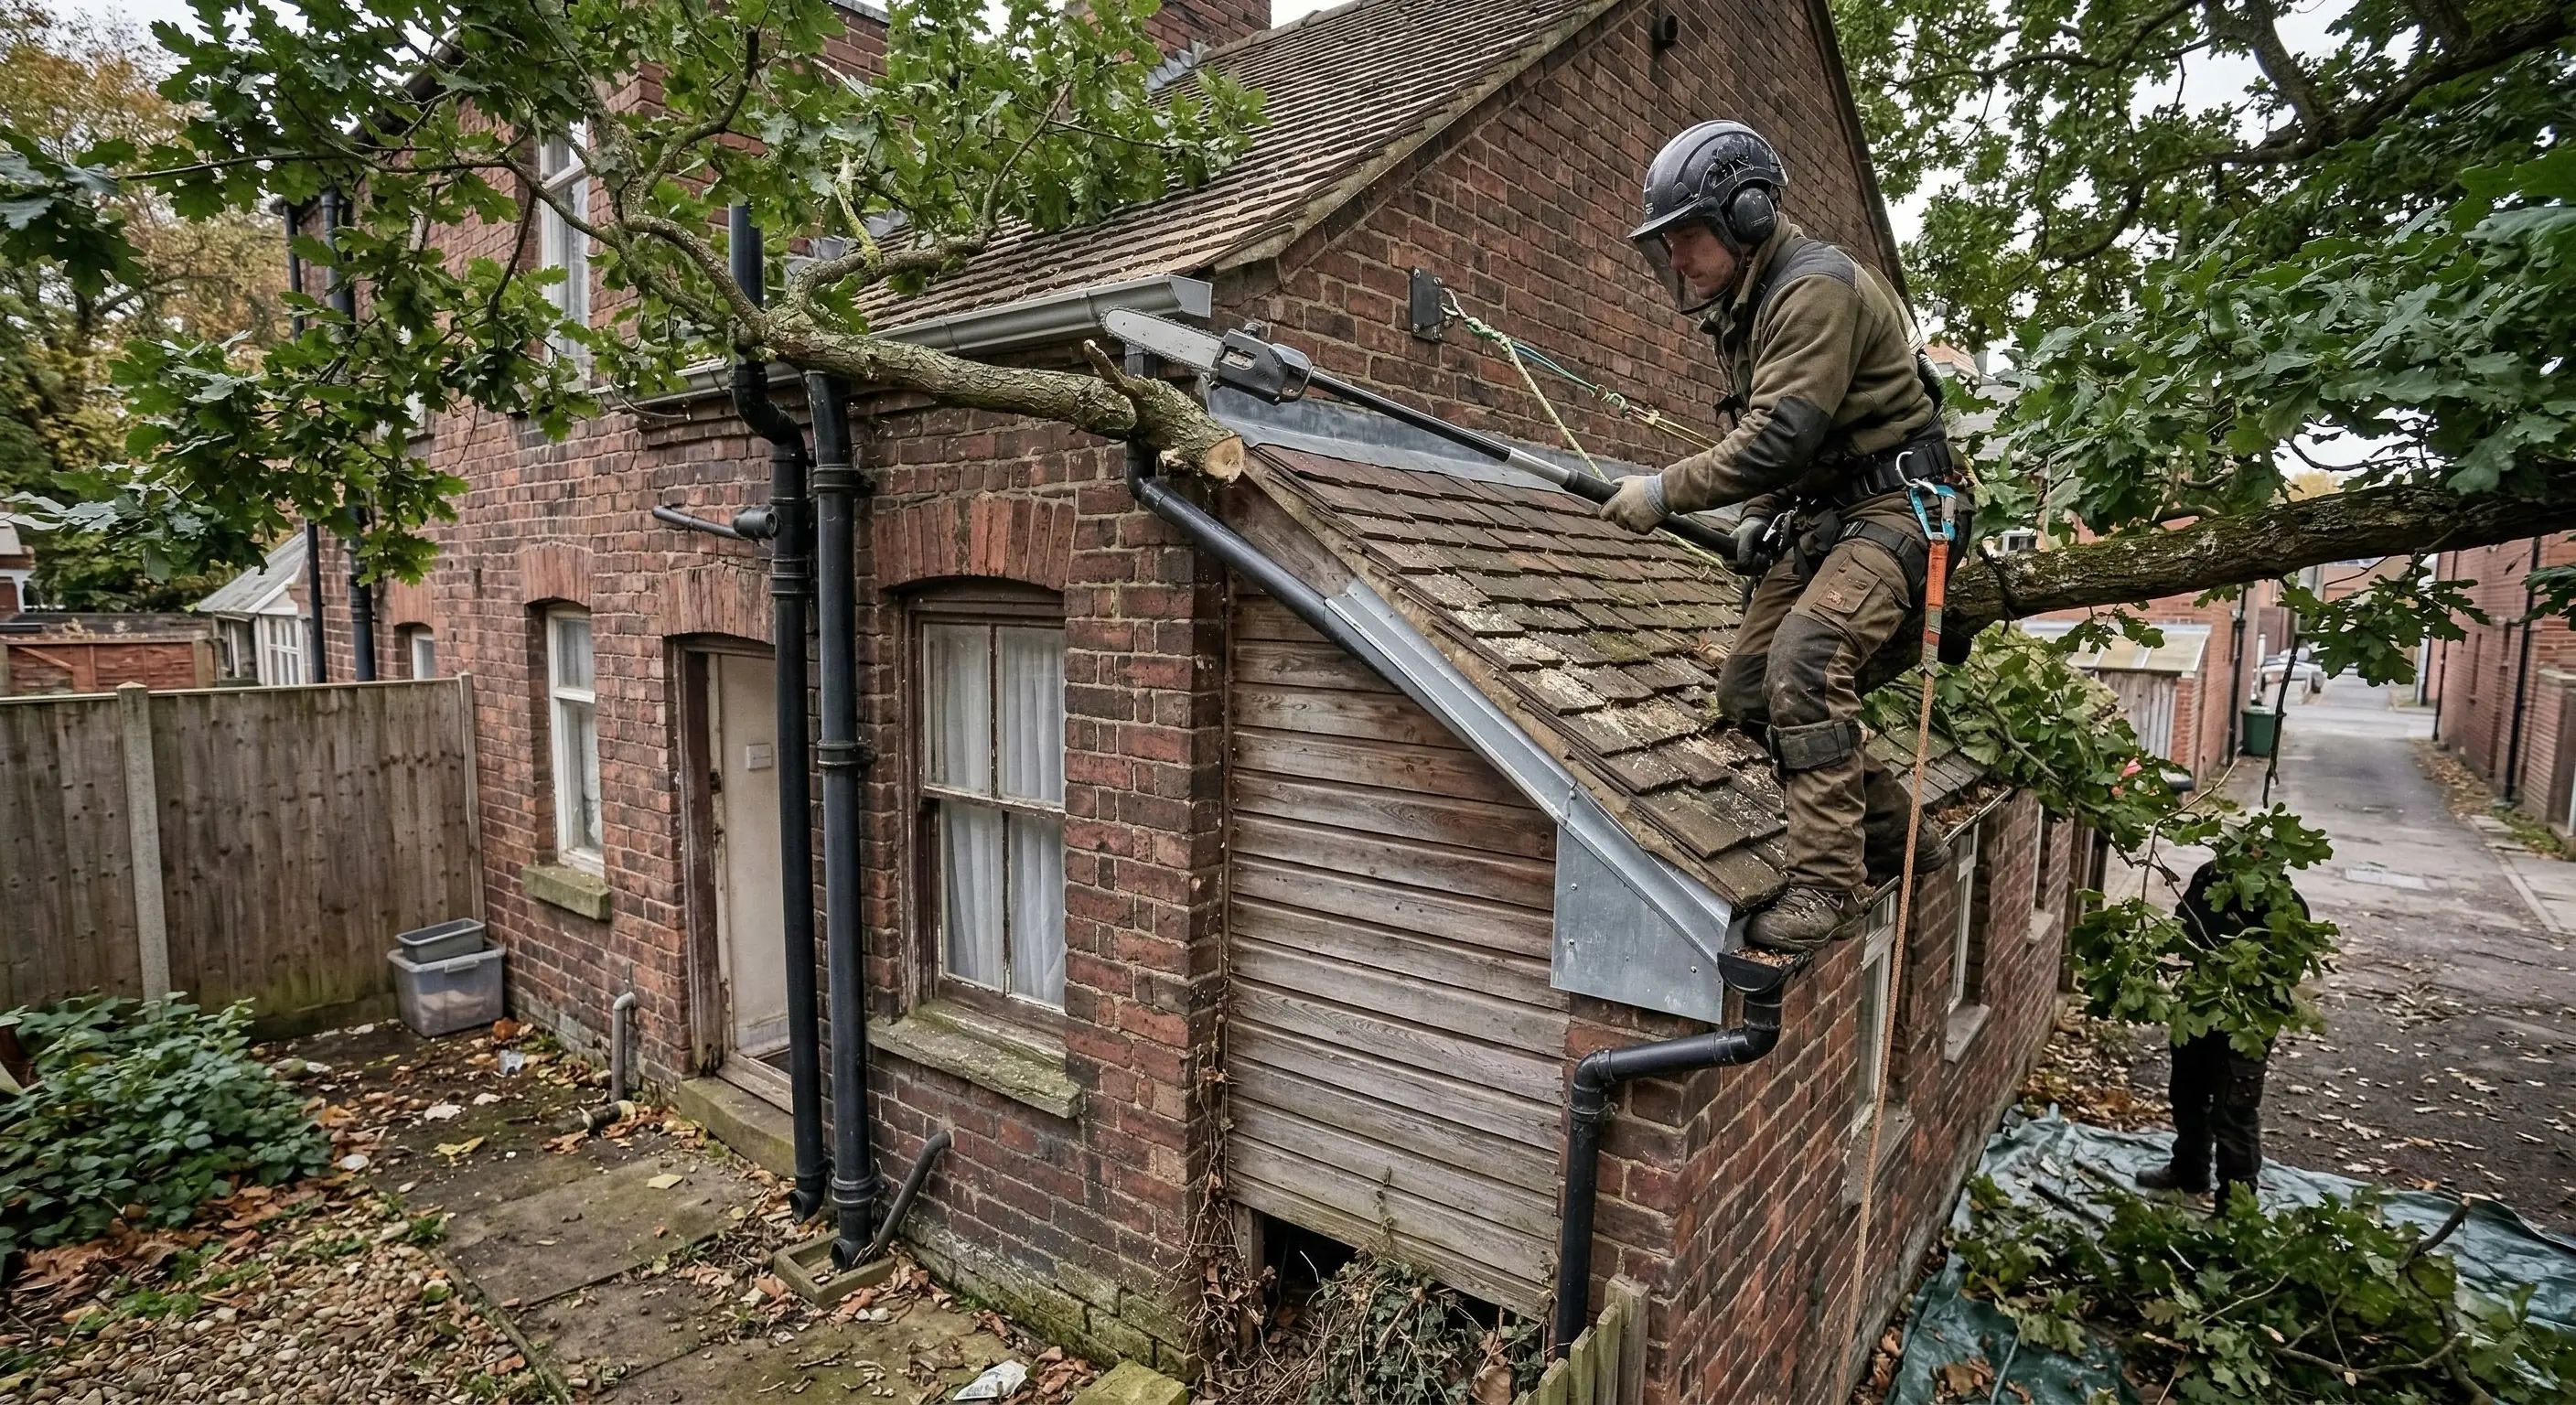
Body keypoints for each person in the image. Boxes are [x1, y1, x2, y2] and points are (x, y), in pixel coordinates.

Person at [1601, 120, 1959, 953]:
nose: (1677, 261)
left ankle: (1828, 885)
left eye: (1687, 238)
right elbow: (1797, 448)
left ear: (1749, 216)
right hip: (1833, 509)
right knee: (1749, 691)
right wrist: (1766, 514)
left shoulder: (1812, 289)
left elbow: (1780, 437)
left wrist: (1662, 491)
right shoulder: (1748, 305)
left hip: (1905, 507)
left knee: (1805, 658)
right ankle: (1896, 836)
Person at [2138, 860, 2310, 1205]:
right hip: (2199, 1007)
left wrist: (2239, 973)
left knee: (2233, 1110)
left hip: (2246, 1019)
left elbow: (2288, 972)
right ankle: (2189, 1171)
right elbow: (2183, 921)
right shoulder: (2208, 877)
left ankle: (2235, 1203)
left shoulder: (2287, 904)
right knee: (2187, 1096)